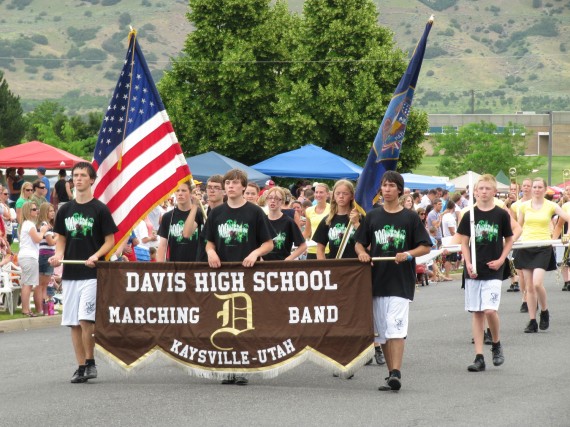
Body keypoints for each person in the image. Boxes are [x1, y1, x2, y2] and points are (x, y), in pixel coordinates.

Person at [354, 171, 431, 391]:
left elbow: (425, 245)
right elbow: (359, 242)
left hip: (400, 281)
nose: (386, 189)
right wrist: (362, 253)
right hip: (377, 280)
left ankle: (396, 372)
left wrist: (408, 253)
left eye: (391, 186)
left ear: (399, 189)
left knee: (396, 328)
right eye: (383, 186)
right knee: (384, 332)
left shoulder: (410, 217)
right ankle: (391, 375)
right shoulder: (373, 216)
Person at [202, 168, 275, 386]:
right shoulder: (216, 213)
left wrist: (254, 253)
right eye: (228, 183)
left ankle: (243, 365)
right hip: (223, 272)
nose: (230, 186)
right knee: (222, 319)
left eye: (234, 183)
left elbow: (268, 243)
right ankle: (228, 366)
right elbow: (209, 241)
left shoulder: (254, 212)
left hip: (247, 272)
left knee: (244, 319)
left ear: (244, 186)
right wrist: (211, 252)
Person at [49, 161, 117, 384]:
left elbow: (110, 241)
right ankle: (80, 366)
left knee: (86, 319)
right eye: (75, 175)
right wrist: (58, 255)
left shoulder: (99, 209)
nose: (77, 179)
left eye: (82, 175)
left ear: (91, 180)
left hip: (92, 273)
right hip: (70, 273)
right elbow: (61, 239)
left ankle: (91, 362)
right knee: (73, 323)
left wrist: (96, 255)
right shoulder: (65, 210)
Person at [456, 175, 514, 372]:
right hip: (474, 268)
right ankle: (479, 356)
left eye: (488, 188)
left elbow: (509, 239)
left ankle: (496, 343)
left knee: (490, 309)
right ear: (475, 191)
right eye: (481, 188)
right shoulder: (469, 215)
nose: (484, 192)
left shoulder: (501, 214)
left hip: (493, 268)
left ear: (494, 191)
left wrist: (501, 260)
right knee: (477, 312)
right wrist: (468, 263)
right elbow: (463, 242)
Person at [516, 177, 570, 333]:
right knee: (529, 287)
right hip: (526, 246)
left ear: (545, 189)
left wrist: (567, 233)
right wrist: (511, 239)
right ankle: (532, 320)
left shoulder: (551, 205)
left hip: (543, 246)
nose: (537, 189)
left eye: (540, 187)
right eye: (535, 187)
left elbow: (567, 218)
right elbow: (518, 226)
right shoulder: (524, 206)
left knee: (537, 283)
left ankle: (545, 311)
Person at [156, 180, 202, 262]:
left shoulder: (198, 213)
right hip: (175, 265)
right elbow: (162, 245)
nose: (180, 193)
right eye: (177, 191)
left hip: (196, 266)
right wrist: (160, 268)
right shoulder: (167, 217)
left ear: (191, 193)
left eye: (184, 190)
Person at [18, 201, 50, 317]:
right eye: (34, 209)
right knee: (28, 284)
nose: (37, 211)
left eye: (36, 209)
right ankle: (26, 309)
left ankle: (26, 309)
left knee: (28, 283)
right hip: (29, 256)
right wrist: (42, 231)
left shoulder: (26, 224)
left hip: (27, 256)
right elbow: (37, 239)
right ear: (28, 211)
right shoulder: (29, 224)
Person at [314, 180, 360, 259]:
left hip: (356, 265)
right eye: (338, 193)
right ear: (334, 196)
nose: (341, 196)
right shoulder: (328, 220)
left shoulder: (359, 218)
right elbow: (320, 249)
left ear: (352, 196)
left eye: (345, 193)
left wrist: (356, 223)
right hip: (335, 265)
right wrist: (324, 267)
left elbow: (368, 244)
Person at [264, 186, 307, 260]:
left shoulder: (288, 221)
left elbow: (303, 246)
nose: (273, 201)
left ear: (282, 202)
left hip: (282, 266)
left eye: (277, 198)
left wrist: (288, 259)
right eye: (270, 198)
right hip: (264, 266)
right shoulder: (262, 221)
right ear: (266, 200)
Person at [38, 202, 58, 313]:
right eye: (50, 211)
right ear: (45, 212)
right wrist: (58, 237)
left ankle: (45, 307)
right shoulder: (45, 225)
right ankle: (43, 307)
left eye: (53, 210)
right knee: (44, 283)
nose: (53, 213)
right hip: (46, 255)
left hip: (46, 255)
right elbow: (50, 242)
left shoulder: (48, 225)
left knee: (45, 283)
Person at [303, 183, 330, 259]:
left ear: (327, 194)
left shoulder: (333, 209)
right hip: (312, 249)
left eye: (321, 192)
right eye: (316, 192)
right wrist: (297, 242)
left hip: (328, 249)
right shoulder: (309, 210)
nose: (318, 195)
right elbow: (307, 231)